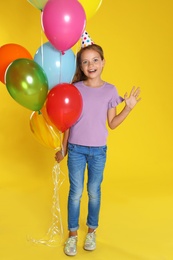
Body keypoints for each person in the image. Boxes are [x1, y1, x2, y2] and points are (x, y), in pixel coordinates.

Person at [55, 43, 141, 256]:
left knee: (94, 192)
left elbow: (112, 123)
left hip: (98, 152)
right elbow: (67, 124)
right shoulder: (75, 89)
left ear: (103, 62)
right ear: (81, 67)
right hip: (75, 149)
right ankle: (73, 235)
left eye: (95, 60)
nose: (90, 65)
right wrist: (63, 149)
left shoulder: (110, 90)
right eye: (85, 61)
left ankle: (91, 231)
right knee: (75, 193)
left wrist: (127, 108)